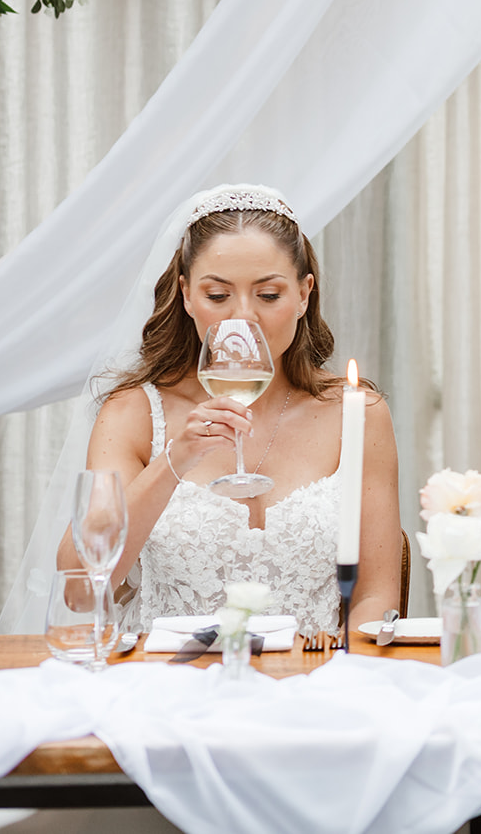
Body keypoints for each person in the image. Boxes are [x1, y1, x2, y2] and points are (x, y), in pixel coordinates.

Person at [53, 185, 402, 635]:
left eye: (269, 295)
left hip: (310, 674)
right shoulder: (132, 413)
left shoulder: (358, 415)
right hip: (167, 674)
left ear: (304, 294)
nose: (243, 318)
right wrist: (174, 461)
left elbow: (375, 596)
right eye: (218, 296)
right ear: (186, 295)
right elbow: (80, 592)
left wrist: (337, 672)